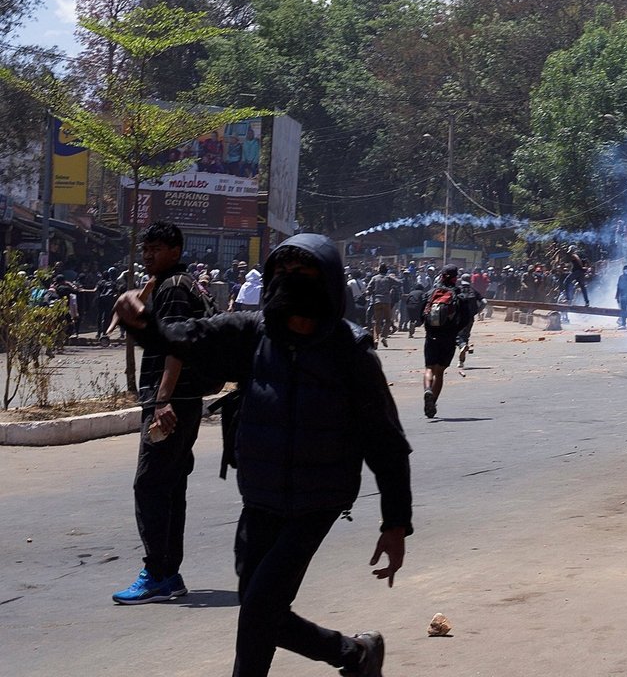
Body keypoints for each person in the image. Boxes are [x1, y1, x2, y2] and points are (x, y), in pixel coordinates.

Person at [112, 233, 410, 677]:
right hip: (260, 497)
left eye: (302, 273)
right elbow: (188, 338)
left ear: (326, 283)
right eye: (282, 273)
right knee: (260, 608)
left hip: (318, 501)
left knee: (259, 607)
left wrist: (395, 523)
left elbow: (386, 442)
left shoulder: (351, 352)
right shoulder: (253, 333)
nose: (290, 281)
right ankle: (355, 654)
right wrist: (143, 323)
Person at [111, 222, 208, 605]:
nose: (148, 254)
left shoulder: (173, 289)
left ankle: (156, 572)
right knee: (171, 487)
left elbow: (177, 346)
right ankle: (169, 574)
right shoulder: (179, 284)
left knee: (150, 484)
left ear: (175, 250)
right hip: (186, 400)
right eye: (146, 248)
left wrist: (162, 400)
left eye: (156, 249)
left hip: (171, 402)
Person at [421, 266, 469, 418]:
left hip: (431, 336)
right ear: (456, 278)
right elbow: (466, 318)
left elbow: (421, 313)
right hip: (448, 337)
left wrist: (428, 328)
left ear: (441, 276)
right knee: (440, 372)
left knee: (429, 368)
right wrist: (455, 331)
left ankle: (427, 389)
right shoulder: (459, 295)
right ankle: (432, 403)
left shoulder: (431, 293)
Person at [366, 264, 398, 347]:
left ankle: (376, 339)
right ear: (386, 271)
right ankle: (383, 336)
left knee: (377, 321)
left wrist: (372, 292)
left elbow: (369, 288)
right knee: (388, 320)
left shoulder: (374, 278)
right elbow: (399, 282)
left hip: (377, 301)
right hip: (386, 301)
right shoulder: (388, 278)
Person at [455, 274, 483, 367]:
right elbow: (484, 302)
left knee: (458, 336)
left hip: (459, 317)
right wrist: (477, 311)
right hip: (470, 317)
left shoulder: (457, 290)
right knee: (466, 335)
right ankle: (461, 361)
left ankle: (462, 346)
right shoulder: (473, 291)